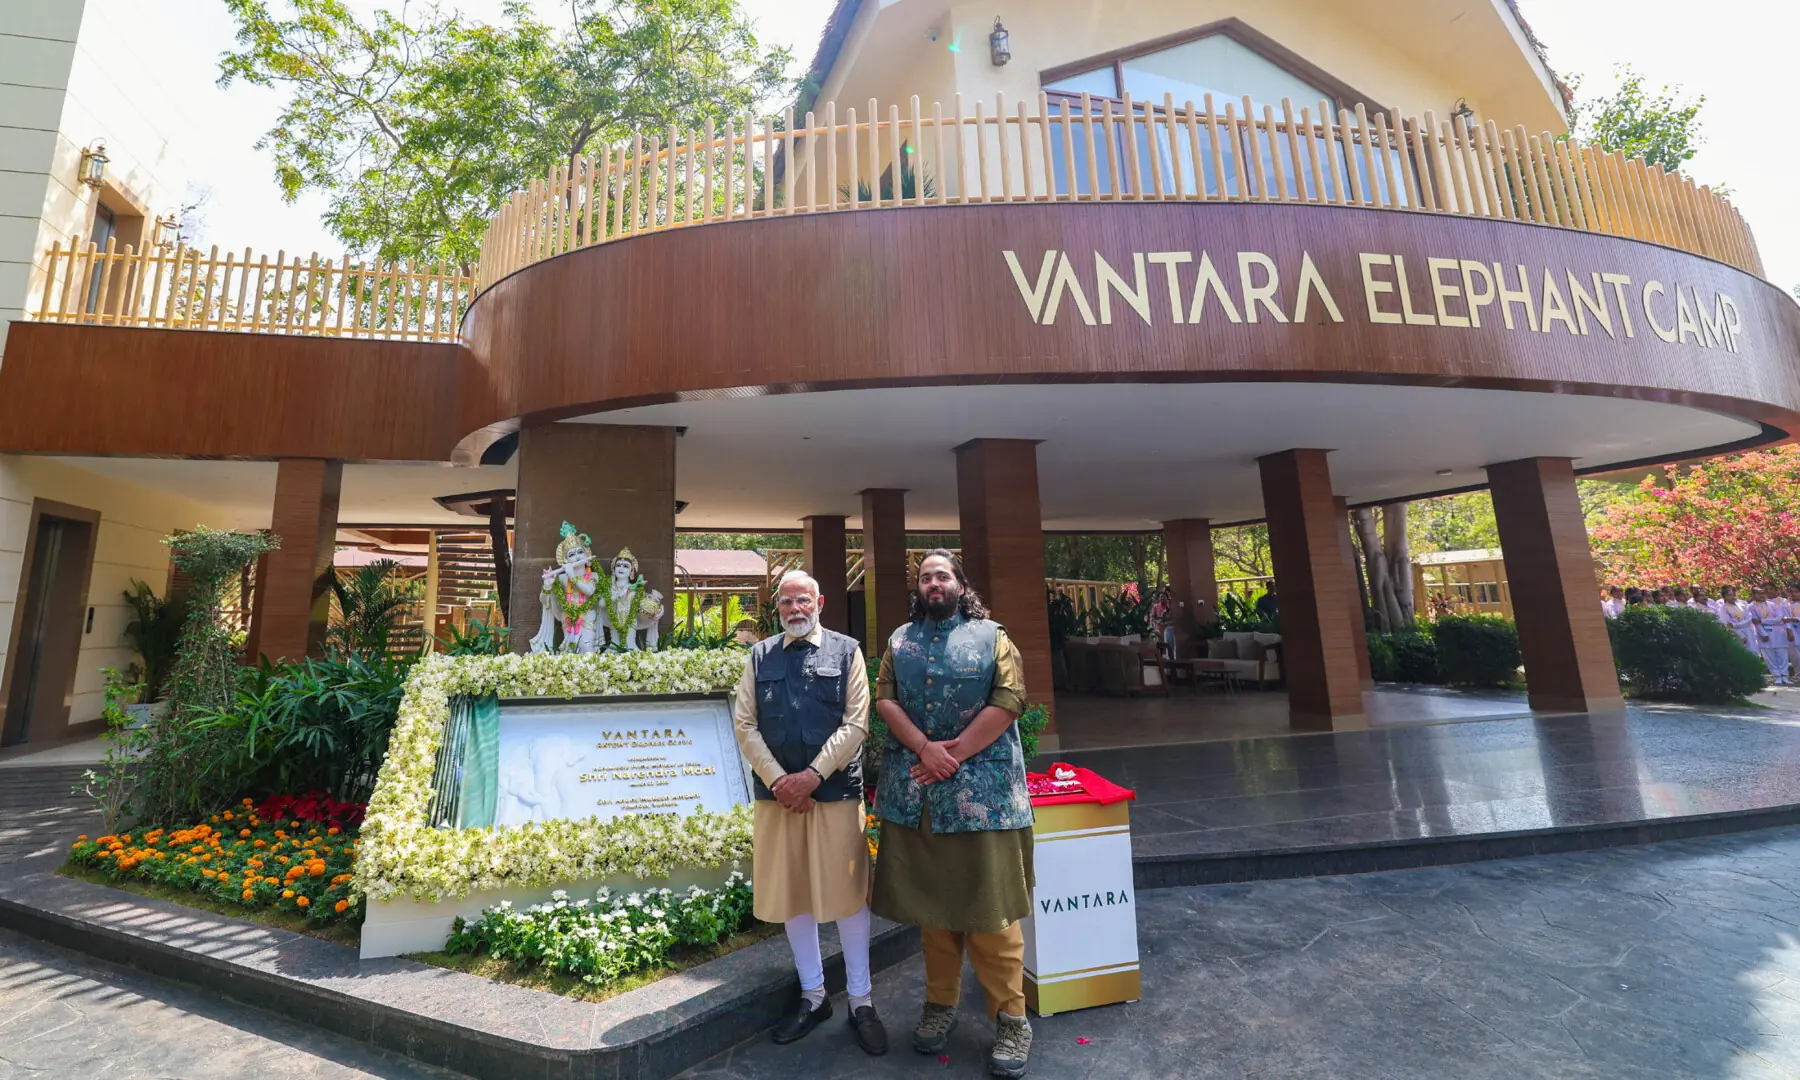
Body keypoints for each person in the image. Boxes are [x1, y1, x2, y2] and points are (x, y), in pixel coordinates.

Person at [870, 550, 1035, 1079]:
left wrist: (953, 754)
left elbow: (1010, 700)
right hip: (918, 795)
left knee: (992, 915)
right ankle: (940, 1005)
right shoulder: (900, 640)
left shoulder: (992, 637)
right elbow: (885, 698)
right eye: (925, 577)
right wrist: (925, 749)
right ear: (918, 588)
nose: (933, 583)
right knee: (934, 914)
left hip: (984, 800)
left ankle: (1012, 1019)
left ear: (961, 585)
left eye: (942, 575)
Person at [730, 570, 887, 1055]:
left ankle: (861, 1000)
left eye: (803, 600)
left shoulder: (847, 651)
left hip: (834, 794)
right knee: (794, 892)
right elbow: (744, 723)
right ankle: (814, 995)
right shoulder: (759, 656)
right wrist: (781, 781)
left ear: (820, 602)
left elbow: (856, 723)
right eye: (786, 602)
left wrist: (812, 777)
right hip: (777, 798)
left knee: (849, 896)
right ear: (776, 607)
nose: (795, 609)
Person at [1756, 584, 1794, 686]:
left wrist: (1762, 621)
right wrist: (1763, 628)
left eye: (1771, 589)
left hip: (1779, 632)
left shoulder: (1781, 602)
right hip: (1764, 633)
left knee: (1782, 655)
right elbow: (1755, 622)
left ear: (1776, 590)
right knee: (1769, 656)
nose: (1768, 591)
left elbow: (1781, 618)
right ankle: (1777, 676)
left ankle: (1785, 676)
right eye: (1765, 590)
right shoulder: (1753, 605)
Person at [1720, 585, 1755, 651]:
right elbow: (1728, 624)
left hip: (1748, 631)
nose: (1732, 597)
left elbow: (1749, 618)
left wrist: (1736, 625)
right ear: (1724, 597)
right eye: (1729, 595)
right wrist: (1740, 635)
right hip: (1738, 633)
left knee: (1754, 650)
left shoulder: (1742, 605)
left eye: (1733, 595)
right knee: (1744, 651)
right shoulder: (1723, 608)